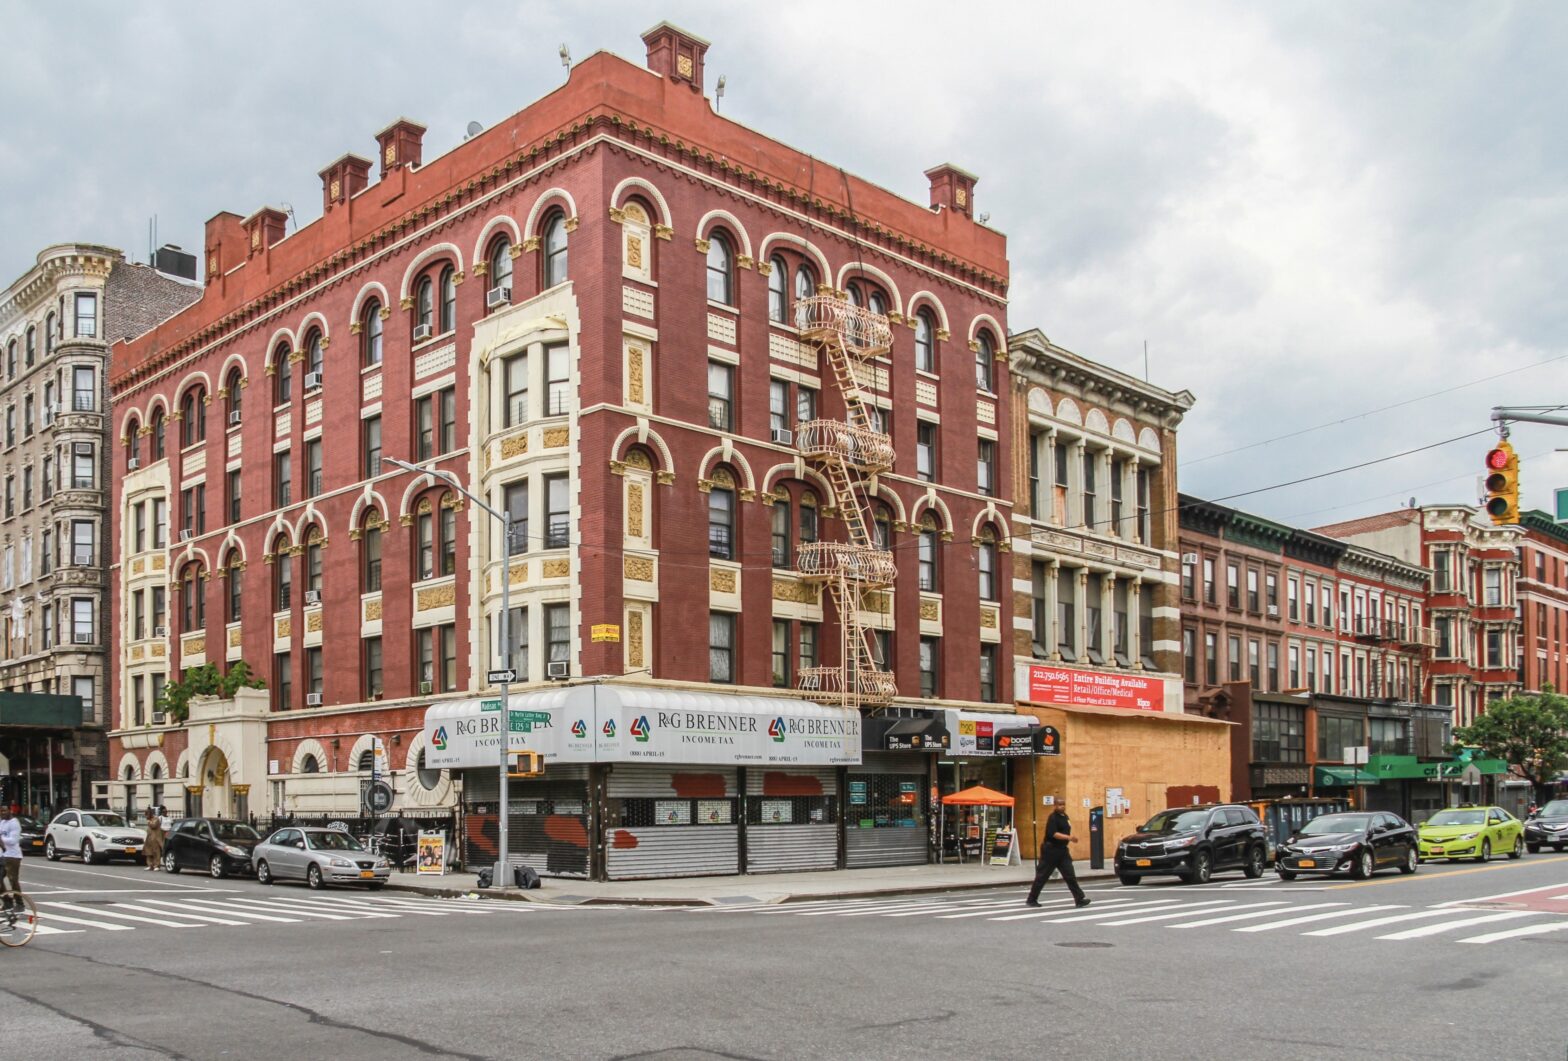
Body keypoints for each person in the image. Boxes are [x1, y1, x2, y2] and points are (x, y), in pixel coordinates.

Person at [1025, 799, 1089, 908]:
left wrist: (1068, 839)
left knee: (1070, 875)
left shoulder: (1065, 816)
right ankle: (1032, 899)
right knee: (1042, 876)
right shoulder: (1053, 817)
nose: (1062, 806)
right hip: (1051, 850)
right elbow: (1053, 834)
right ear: (1054, 806)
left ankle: (1079, 898)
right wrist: (1069, 838)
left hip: (1062, 850)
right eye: (1059, 805)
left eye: (1063, 804)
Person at [0, 806, 22, 910]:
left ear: (10, 811)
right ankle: (7, 901)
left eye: (4, 810)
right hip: (3, 856)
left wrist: (1, 839)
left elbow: (13, 840)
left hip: (13, 856)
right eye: (1, 811)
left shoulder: (14, 823)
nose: (2, 813)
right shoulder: (2, 822)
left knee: (13, 880)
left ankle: (19, 903)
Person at [143, 806, 165, 871]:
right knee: (148, 852)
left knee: (156, 852)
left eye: (147, 815)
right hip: (149, 838)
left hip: (156, 838)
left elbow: (153, 826)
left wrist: (149, 822)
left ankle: (157, 865)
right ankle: (150, 865)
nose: (146, 817)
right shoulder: (149, 819)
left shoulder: (156, 819)